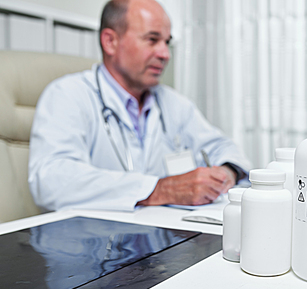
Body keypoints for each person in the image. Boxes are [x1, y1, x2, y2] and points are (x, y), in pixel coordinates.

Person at [28, 0, 251, 212]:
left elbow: (223, 148)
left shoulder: (173, 103)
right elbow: (51, 180)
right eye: (152, 40)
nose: (165, 54)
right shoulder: (68, 95)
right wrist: (160, 190)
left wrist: (226, 173)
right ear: (110, 42)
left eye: (166, 42)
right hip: (94, 241)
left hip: (163, 235)